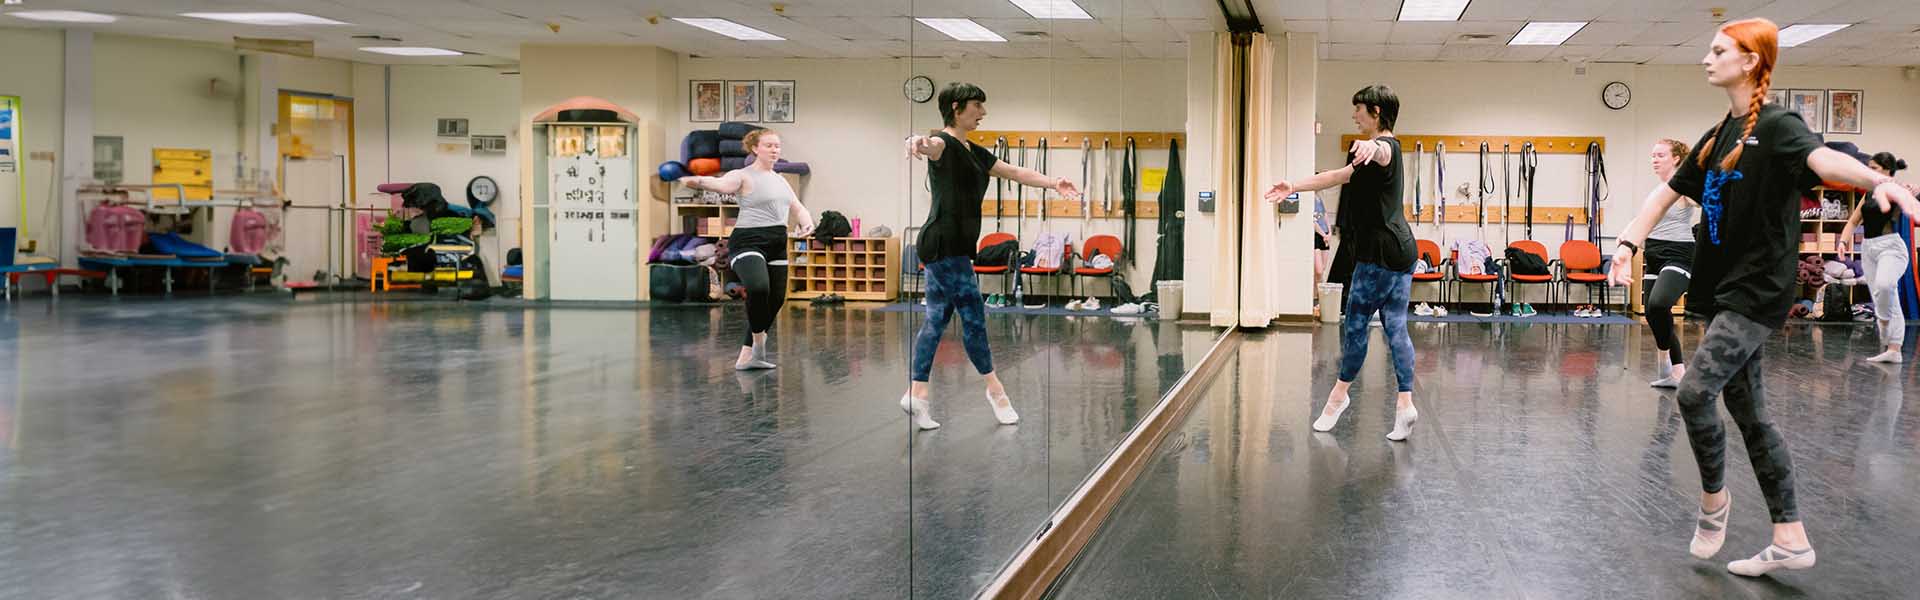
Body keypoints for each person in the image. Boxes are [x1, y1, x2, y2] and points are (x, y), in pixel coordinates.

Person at [1608, 17, 1920, 577]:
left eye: (1719, 50)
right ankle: (1790, 538)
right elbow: (1666, 190)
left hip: (1759, 291)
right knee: (1750, 414)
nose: (1707, 58)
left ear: (1750, 61)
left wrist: (1879, 182)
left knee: (1696, 393)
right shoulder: (1718, 134)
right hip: (1725, 288)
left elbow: (1825, 160)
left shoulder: (1778, 126)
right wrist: (1628, 241)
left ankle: (1712, 505)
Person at [901, 82, 1078, 430]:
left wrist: (1053, 182)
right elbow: (929, 144)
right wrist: (916, 142)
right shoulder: (945, 145)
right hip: (945, 244)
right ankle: (996, 391)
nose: (983, 113)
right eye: (977, 106)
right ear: (957, 108)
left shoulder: (973, 151)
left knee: (936, 318)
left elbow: (1014, 172)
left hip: (947, 244)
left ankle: (917, 393)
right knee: (974, 318)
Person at [1265, 84, 1419, 441]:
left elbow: (1380, 150)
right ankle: (1405, 404)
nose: (1353, 115)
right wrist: (1294, 185)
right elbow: (1335, 176)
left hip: (1377, 255)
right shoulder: (1373, 158)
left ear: (1376, 112)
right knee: (1396, 324)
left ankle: (1337, 398)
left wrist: (1371, 145)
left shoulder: (1384, 149)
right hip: (1402, 250)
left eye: (1358, 109)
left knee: (1355, 325)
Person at [680, 129, 816, 371]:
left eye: (777, 145)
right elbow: (722, 185)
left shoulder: (781, 179)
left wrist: (807, 221)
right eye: (769, 145)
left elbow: (796, 206)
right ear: (755, 148)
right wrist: (698, 180)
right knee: (758, 287)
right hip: (748, 240)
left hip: (776, 242)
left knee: (775, 300)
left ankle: (747, 355)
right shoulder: (742, 175)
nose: (775, 150)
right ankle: (759, 342)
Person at [1839, 152, 1915, 363]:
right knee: (1887, 296)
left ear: (1888, 170)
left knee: (1885, 286)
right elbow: (1854, 221)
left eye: (1874, 168)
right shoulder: (1869, 192)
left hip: (1891, 248)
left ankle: (1882, 319)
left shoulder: (1896, 189)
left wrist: (1913, 192)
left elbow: (1912, 198)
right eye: (1869, 167)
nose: (1869, 171)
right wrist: (1843, 241)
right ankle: (1894, 349)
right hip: (1868, 249)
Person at [1637, 139, 1700, 387]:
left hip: (1678, 253)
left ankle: (1665, 359)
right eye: (1653, 155)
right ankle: (1676, 372)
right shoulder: (1656, 190)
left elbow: (1702, 201)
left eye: (1660, 155)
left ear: (1676, 158)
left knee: (1660, 302)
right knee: (1653, 312)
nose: (1654, 159)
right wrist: (1626, 240)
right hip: (1653, 252)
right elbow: (1644, 219)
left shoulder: (1683, 186)